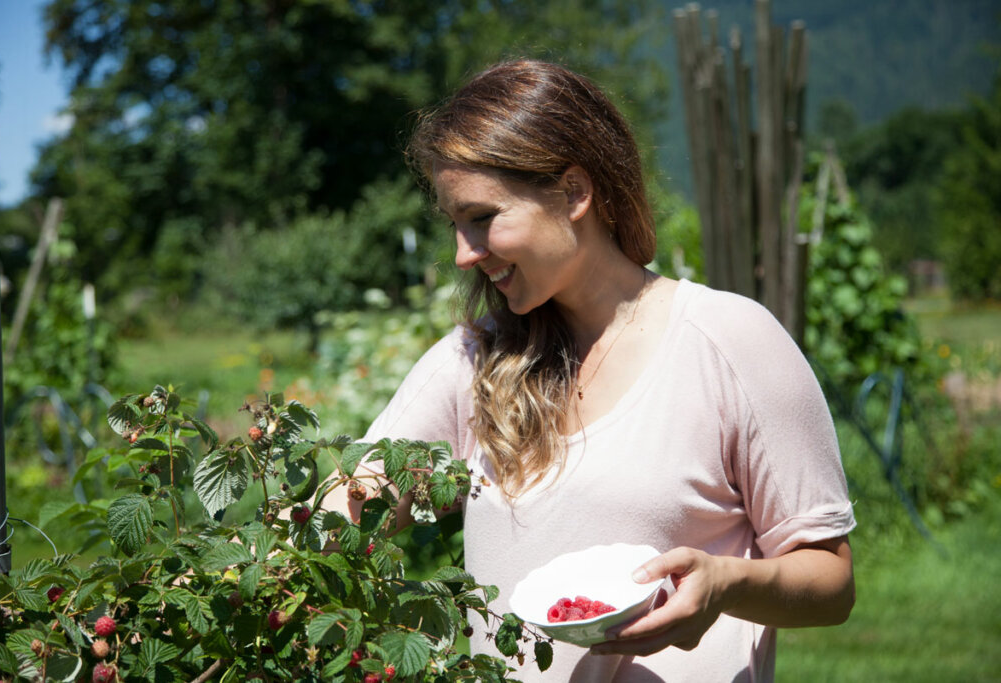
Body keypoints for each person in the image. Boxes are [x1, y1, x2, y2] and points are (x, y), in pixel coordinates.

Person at [338, 60, 856, 682]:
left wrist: (725, 586)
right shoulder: (472, 361)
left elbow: (830, 580)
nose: (462, 254)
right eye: (454, 224)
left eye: (482, 218)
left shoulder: (727, 341)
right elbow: (344, 512)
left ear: (576, 193)